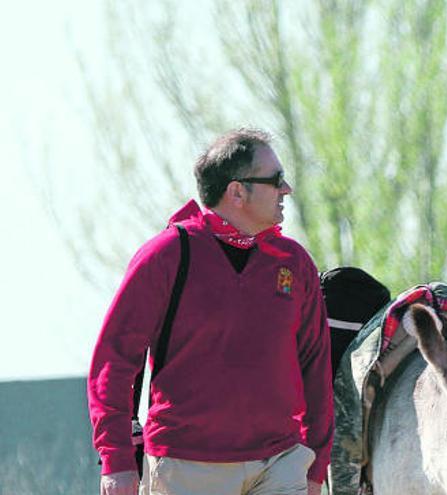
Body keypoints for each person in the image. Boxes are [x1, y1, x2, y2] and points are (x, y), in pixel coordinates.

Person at [88, 128, 333, 495]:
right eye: (276, 180)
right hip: (185, 466)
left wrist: (316, 465)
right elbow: (114, 360)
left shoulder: (294, 263)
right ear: (237, 191)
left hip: (281, 462)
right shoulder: (167, 255)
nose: (286, 190)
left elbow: (316, 367)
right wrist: (117, 460)